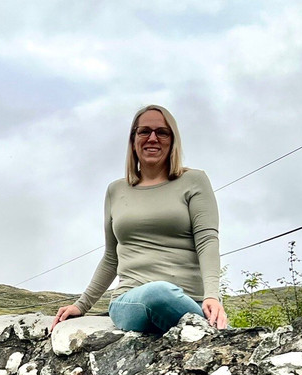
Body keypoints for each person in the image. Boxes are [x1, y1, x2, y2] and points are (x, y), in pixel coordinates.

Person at [50, 105, 228, 334]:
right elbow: (111, 257)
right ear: (133, 140)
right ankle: (209, 334)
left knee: (166, 295)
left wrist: (212, 295)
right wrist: (81, 305)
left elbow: (207, 241)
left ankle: (206, 331)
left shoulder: (194, 181)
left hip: (189, 300)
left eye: (162, 132)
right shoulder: (116, 190)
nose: (152, 138)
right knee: (158, 293)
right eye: (144, 131)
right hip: (131, 300)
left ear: (172, 140)